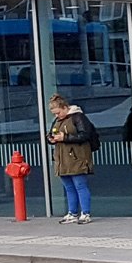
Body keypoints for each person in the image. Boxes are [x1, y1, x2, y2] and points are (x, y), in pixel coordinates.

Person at [47, 95, 96, 225]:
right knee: (69, 187)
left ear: (65, 107)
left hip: (77, 157)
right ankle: (72, 213)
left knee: (80, 185)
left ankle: (85, 213)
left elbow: (85, 135)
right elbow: (51, 133)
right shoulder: (57, 120)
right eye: (54, 114)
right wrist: (51, 138)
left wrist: (65, 137)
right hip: (62, 158)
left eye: (58, 112)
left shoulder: (78, 117)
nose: (57, 116)